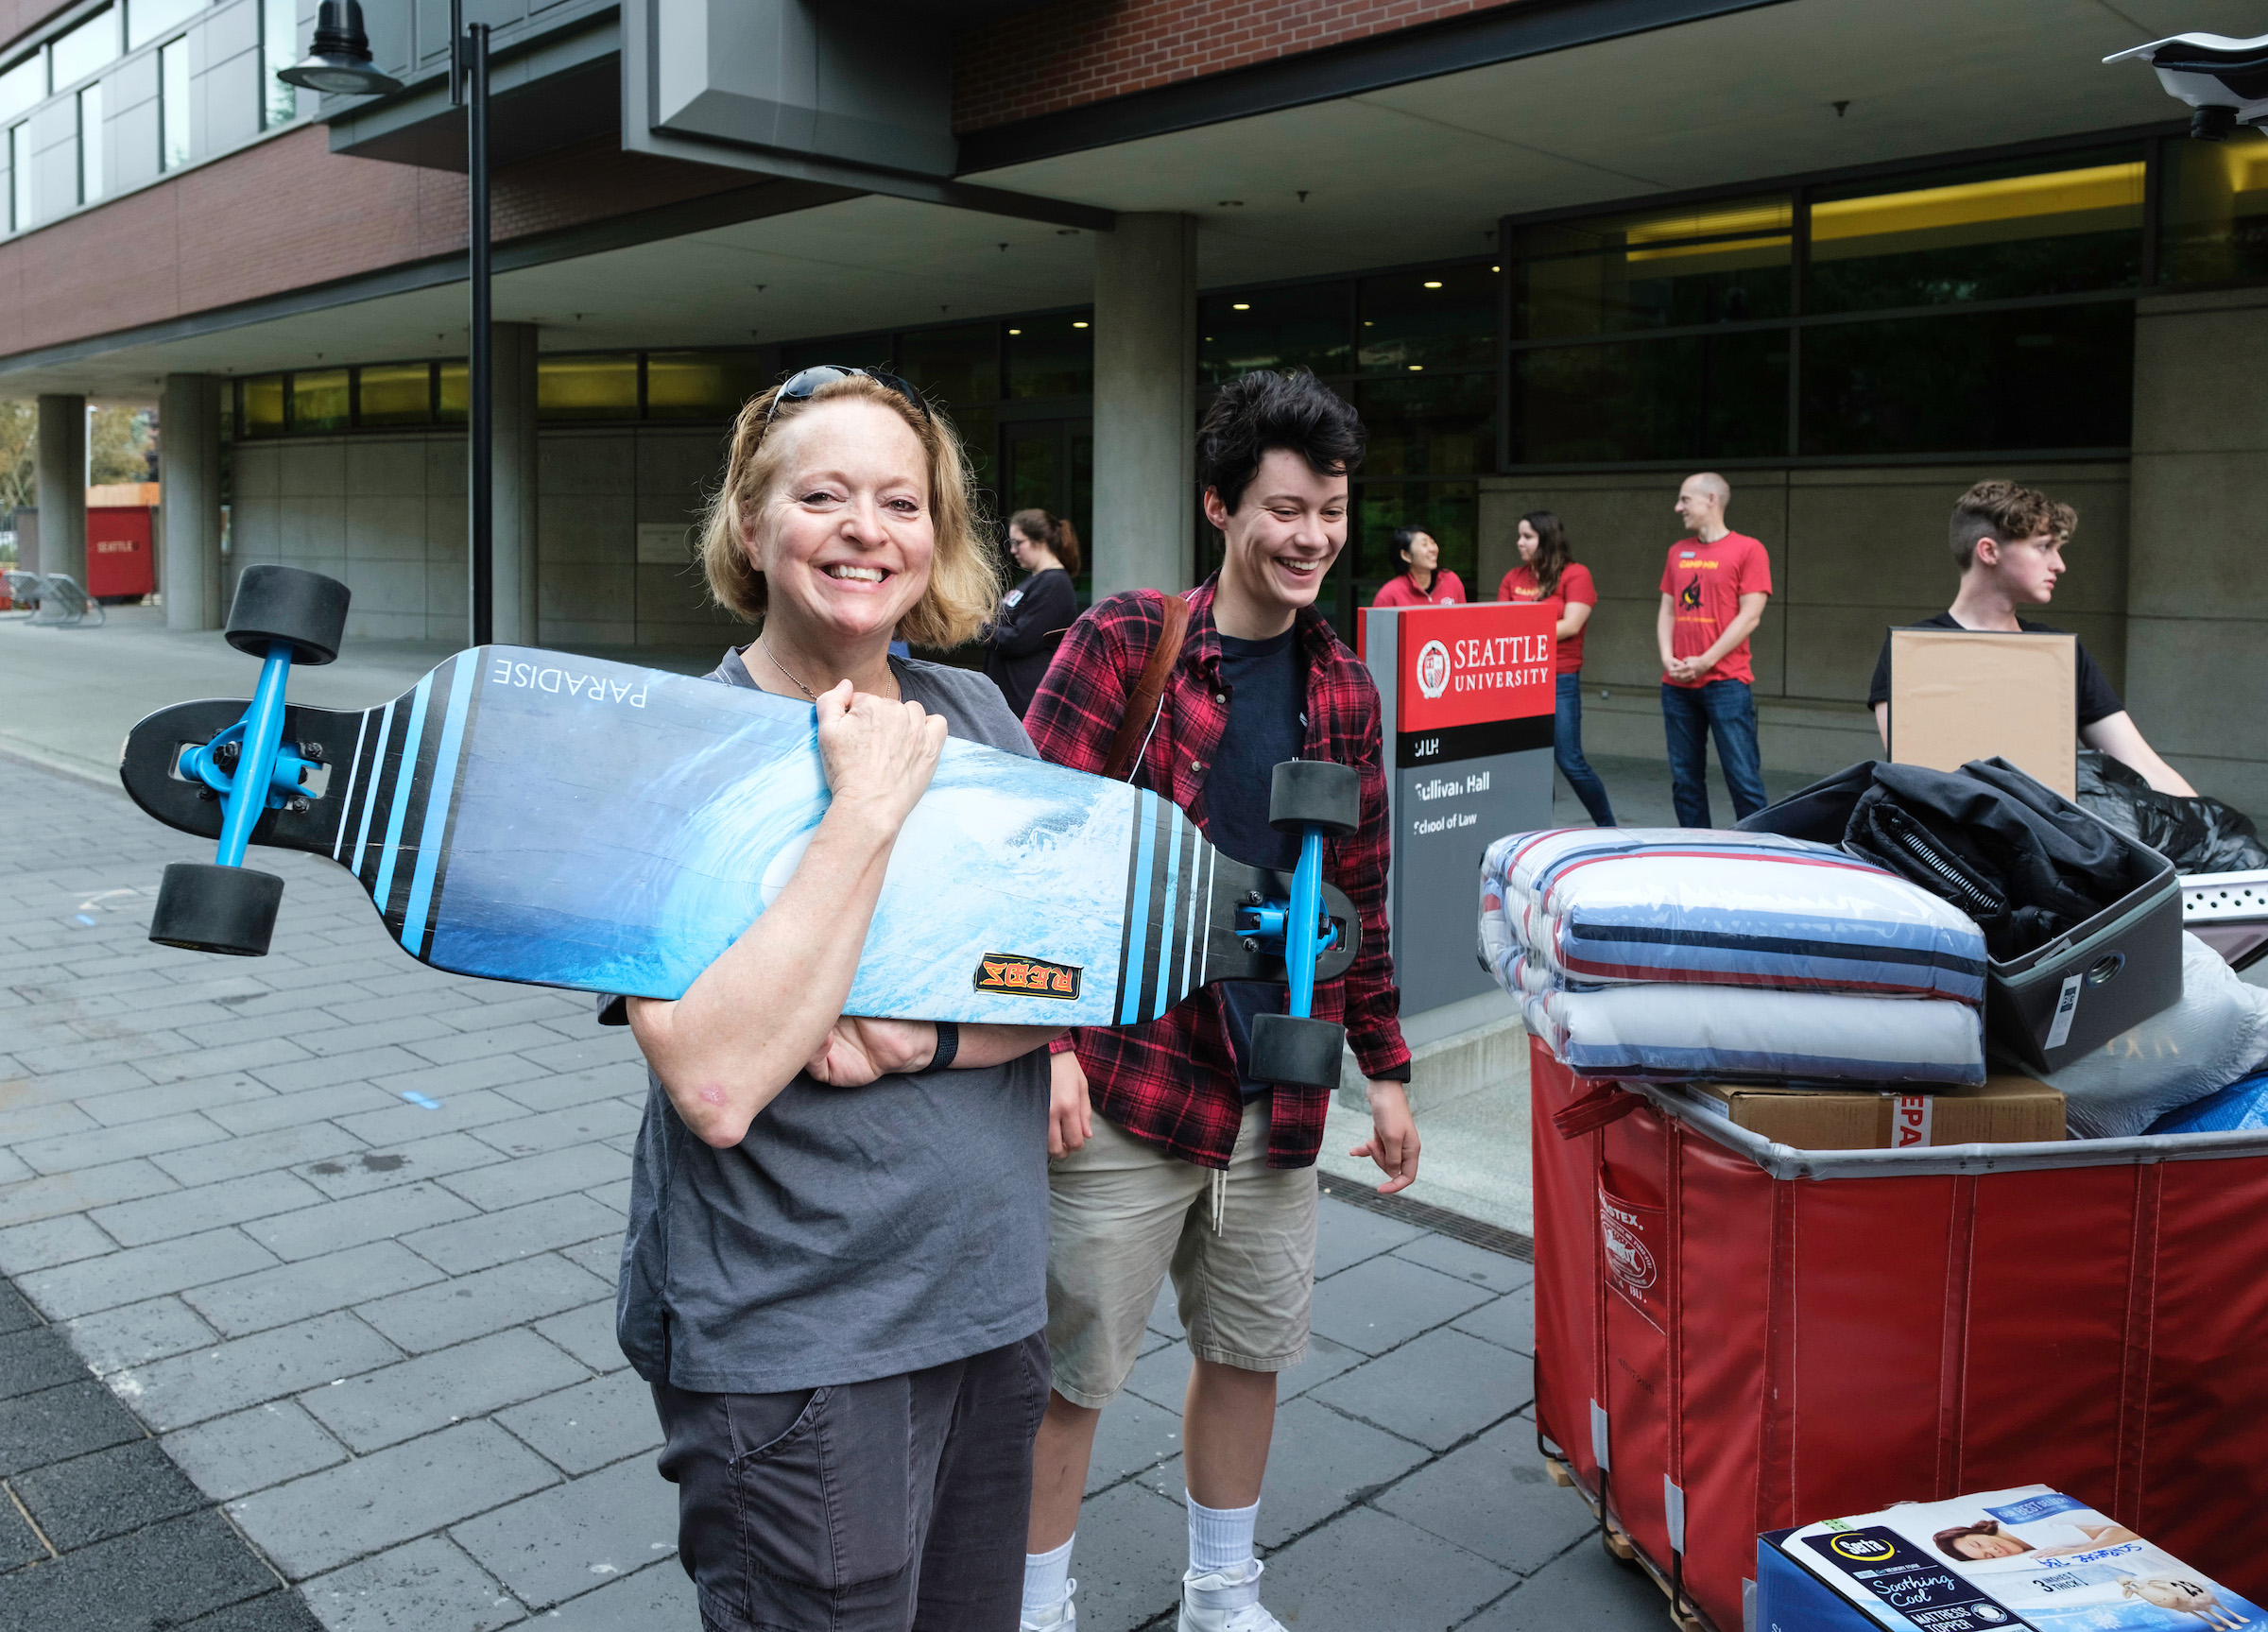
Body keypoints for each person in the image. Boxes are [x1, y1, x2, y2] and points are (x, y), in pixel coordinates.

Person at [604, 366, 1063, 1631]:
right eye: (824, 494)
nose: (869, 528)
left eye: (901, 501)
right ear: (752, 527)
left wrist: (923, 1032)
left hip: (990, 1298)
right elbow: (715, 1075)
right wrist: (865, 805)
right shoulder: (683, 745)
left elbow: (1074, 976)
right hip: (801, 1342)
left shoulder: (973, 707)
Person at [1018, 369, 1418, 1632]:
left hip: (1278, 1085)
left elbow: (1360, 886)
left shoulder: (1342, 688)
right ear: (1219, 505)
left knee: (1250, 1353)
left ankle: (1222, 1590)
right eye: (1286, 508)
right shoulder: (1130, 640)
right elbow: (1026, 845)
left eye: (1333, 512)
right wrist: (1045, 1044)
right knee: (1071, 1372)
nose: (1311, 537)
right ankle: (1033, 1600)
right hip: (1130, 1072)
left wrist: (1387, 1064)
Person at [1867, 479, 2195, 795]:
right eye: (2044, 547)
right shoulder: (1914, 652)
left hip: (2043, 845)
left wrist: (2220, 835)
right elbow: (1915, 779)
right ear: (1989, 551)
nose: (2060, 565)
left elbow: (2140, 763)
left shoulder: (2058, 653)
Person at [1657, 472, 1772, 826]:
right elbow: (1667, 609)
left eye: (1685, 499)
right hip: (1677, 686)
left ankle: (1761, 855)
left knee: (1744, 780)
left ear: (1711, 500)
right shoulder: (1678, 551)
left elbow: (1750, 617)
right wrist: (1666, 657)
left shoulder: (1749, 549)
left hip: (1726, 683)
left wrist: (1705, 661)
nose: (1678, 508)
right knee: (1685, 782)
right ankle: (1696, 853)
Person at [1499, 509, 1614, 826]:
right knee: (1530, 762)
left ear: (1546, 538)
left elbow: (1571, 626)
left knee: (1570, 760)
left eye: (1528, 537)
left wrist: (1522, 634)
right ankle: (1537, 831)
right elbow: (1500, 625)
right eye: (1520, 536)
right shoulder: (1514, 577)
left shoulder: (1576, 575)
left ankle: (1608, 827)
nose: (1520, 543)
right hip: (1519, 680)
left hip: (1559, 678)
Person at [987, 507, 1082, 717]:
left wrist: (982, 628)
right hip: (1010, 697)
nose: (1013, 550)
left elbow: (1020, 639)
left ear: (1040, 541)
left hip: (1027, 700)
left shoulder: (1055, 584)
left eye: (1018, 543)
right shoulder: (1035, 581)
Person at [1367, 525, 1465, 607]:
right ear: (1406, 555)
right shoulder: (1389, 594)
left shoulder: (1451, 581)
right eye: (1424, 544)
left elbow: (1465, 623)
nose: (1432, 549)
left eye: (1432, 542)